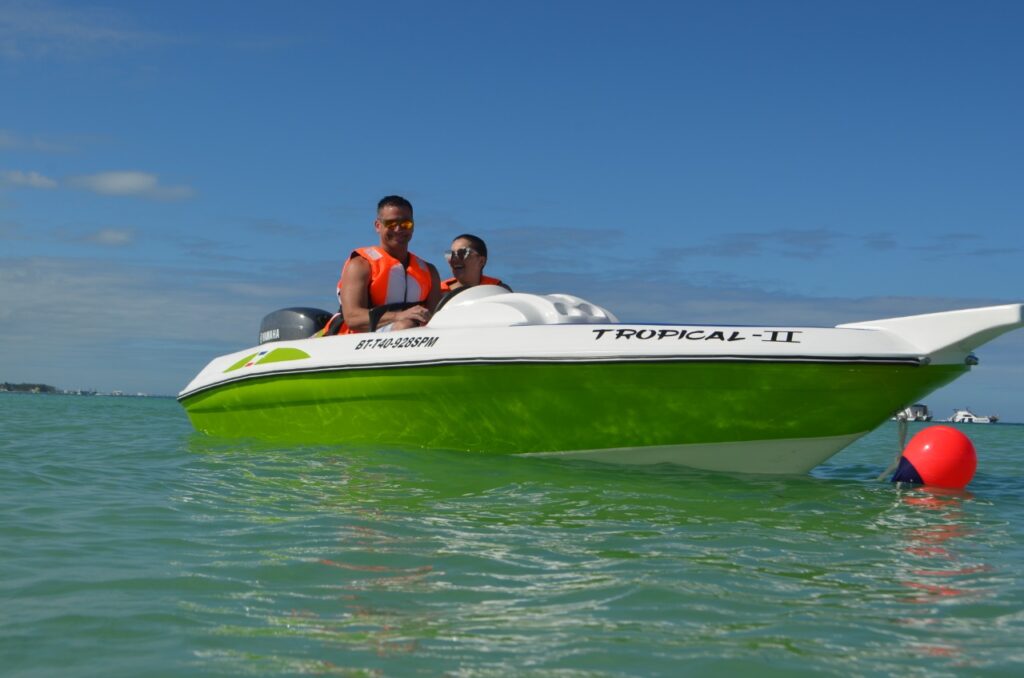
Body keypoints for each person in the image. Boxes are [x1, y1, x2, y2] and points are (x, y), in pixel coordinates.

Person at [325, 195, 441, 334]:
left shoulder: (429, 271)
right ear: (378, 226)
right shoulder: (360, 265)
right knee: (405, 326)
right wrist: (399, 316)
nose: (398, 229)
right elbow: (352, 318)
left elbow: (437, 319)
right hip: (357, 342)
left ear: (413, 226)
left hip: (414, 338)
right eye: (391, 224)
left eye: (406, 224)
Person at [440, 234, 512, 293]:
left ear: (481, 261)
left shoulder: (499, 290)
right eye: (450, 254)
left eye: (462, 253)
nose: (454, 259)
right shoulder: (438, 292)